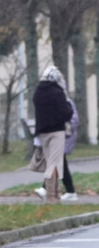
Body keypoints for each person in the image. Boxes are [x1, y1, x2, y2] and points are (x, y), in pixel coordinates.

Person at [32, 65, 73, 203]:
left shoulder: (38, 92)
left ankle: (55, 196)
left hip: (43, 132)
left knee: (53, 161)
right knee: (54, 163)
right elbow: (67, 112)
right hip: (56, 131)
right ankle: (51, 196)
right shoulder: (58, 92)